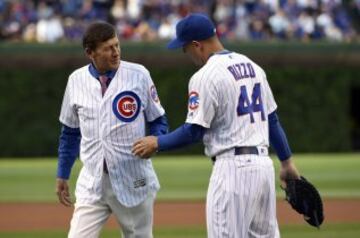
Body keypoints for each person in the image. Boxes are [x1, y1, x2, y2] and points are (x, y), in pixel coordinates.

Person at [132, 13, 300, 238]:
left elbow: (194, 131)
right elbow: (272, 120)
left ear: (197, 45)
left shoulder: (205, 75)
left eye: (185, 48)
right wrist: (287, 162)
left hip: (233, 171)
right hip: (264, 169)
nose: (186, 54)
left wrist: (157, 142)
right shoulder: (253, 67)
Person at [56, 21, 168, 238]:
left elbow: (158, 119)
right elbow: (69, 132)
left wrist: (156, 140)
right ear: (90, 53)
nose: (116, 52)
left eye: (117, 45)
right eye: (108, 48)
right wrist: (62, 174)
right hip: (92, 180)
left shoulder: (139, 74)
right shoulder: (75, 80)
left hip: (133, 176)